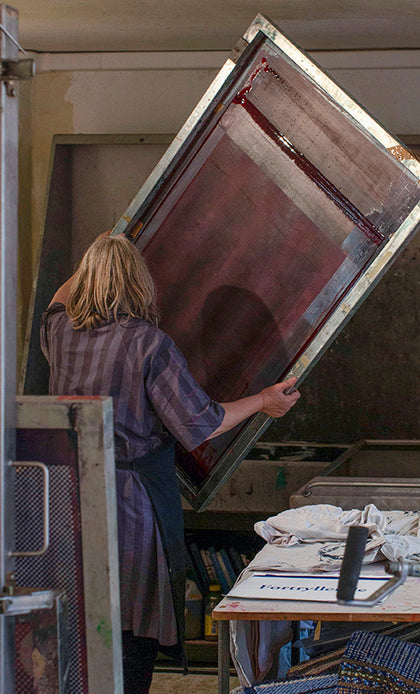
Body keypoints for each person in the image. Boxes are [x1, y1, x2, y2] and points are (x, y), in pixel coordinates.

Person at [40, 232, 301, 693]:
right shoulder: (147, 344)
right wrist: (263, 401)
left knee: (79, 624)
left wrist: (102, 247)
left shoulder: (60, 334)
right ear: (139, 283)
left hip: (67, 505)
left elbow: (59, 300)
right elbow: (202, 423)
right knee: (129, 626)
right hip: (129, 509)